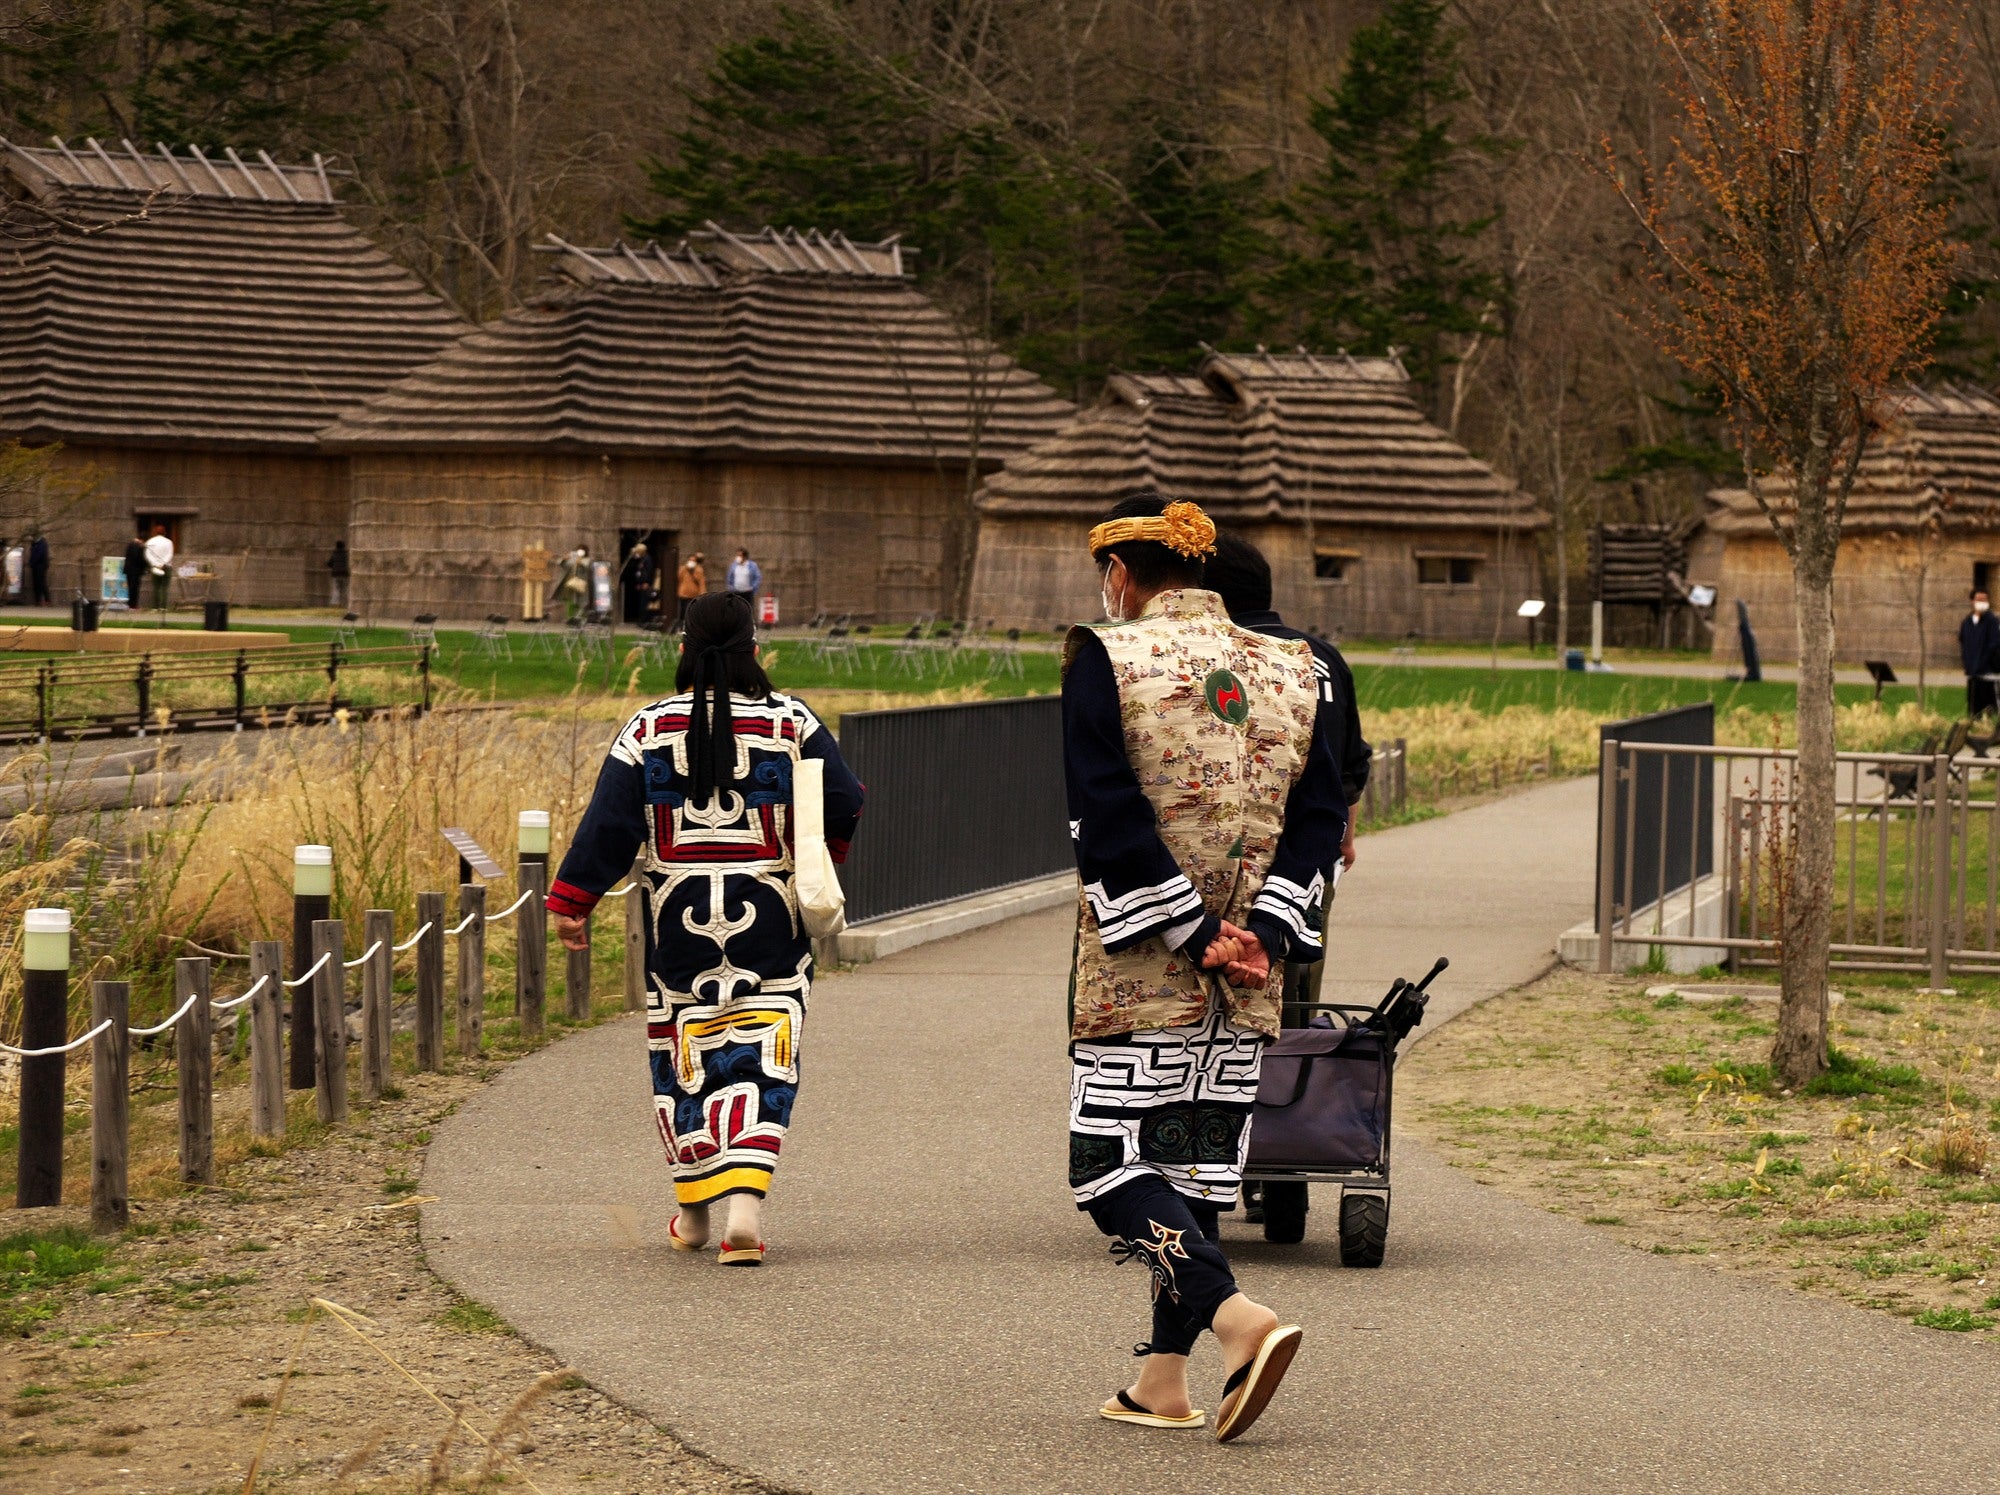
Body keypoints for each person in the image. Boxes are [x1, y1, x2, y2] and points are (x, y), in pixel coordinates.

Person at [1064, 493, 1343, 1443]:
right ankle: (1163, 1380)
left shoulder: (1106, 655)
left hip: (1143, 965)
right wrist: (1262, 931)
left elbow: (1106, 812)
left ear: (1120, 574)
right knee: (1193, 1171)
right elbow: (1320, 815)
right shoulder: (1297, 664)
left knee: (1105, 1167)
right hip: (1251, 973)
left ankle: (1237, 1318)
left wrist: (1190, 930)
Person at [549, 592, 864, 1266]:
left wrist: (574, 901)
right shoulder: (791, 721)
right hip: (770, 916)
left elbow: (608, 825)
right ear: (755, 649)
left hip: (678, 924)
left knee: (683, 1059)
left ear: (683, 649)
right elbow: (844, 797)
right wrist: (816, 853)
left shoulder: (647, 728)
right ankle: (744, 1211)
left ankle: (693, 1218)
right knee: (763, 1054)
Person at [1205, 531, 1371, 870]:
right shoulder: (1323, 657)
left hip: (1228, 858)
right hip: (1312, 856)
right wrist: (1345, 841)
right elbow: (1351, 765)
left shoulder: (1207, 657)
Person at [1963, 590, 2000, 717]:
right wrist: (1968, 665)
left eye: (1985, 599)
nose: (1982, 602)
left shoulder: (1992, 621)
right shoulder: (1967, 622)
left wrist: (1982, 663)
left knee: (1991, 709)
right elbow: (1964, 644)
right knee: (1974, 710)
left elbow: (1994, 644)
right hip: (1973, 674)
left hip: (1989, 674)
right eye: (1979, 599)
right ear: (1972, 601)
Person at [621, 540, 655, 624]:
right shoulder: (641, 559)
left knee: (644, 603)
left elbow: (649, 572)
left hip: (645, 584)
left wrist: (647, 582)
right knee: (640, 603)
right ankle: (641, 619)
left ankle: (645, 621)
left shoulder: (648, 559)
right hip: (640, 583)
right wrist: (639, 583)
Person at [143, 524, 174, 612]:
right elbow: (170, 554)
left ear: (155, 532)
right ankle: (163, 607)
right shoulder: (169, 542)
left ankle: (155, 607)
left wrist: (155, 564)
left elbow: (148, 555)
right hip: (166, 566)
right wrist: (163, 563)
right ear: (165, 532)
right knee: (164, 587)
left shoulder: (150, 541)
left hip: (155, 566)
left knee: (156, 587)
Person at [556, 545, 590, 624]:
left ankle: (580, 618)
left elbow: (586, 565)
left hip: (582, 584)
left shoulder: (587, 560)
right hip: (572, 583)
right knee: (571, 601)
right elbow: (561, 564)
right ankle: (571, 618)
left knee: (582, 602)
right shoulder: (573, 559)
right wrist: (564, 559)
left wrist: (579, 560)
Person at [521, 541, 551, 622]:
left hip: (537, 573)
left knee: (538, 588)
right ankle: (528, 615)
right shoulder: (529, 556)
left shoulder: (540, 556)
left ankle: (536, 615)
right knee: (530, 588)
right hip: (530, 573)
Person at [676, 551, 706, 631]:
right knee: (682, 612)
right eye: (690, 560)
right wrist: (686, 568)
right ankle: (680, 627)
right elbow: (679, 577)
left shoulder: (698, 570)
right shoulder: (683, 569)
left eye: (693, 560)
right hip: (683, 594)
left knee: (691, 612)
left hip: (693, 595)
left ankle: (690, 628)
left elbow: (701, 582)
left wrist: (702, 594)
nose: (691, 562)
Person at [121, 529, 146, 611]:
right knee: (134, 588)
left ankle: (130, 605)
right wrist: (145, 566)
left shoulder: (130, 544)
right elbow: (139, 558)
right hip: (136, 570)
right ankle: (133, 606)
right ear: (142, 540)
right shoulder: (139, 546)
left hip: (128, 570)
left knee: (130, 588)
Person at [27, 532, 50, 607]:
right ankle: (38, 600)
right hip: (35, 566)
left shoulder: (42, 543)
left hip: (41, 566)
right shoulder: (34, 543)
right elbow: (32, 554)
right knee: (36, 583)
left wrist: (32, 562)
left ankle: (47, 600)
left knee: (41, 583)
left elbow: (39, 555)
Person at [327, 540, 351, 610]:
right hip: (344, 573)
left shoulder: (334, 554)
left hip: (335, 574)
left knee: (336, 589)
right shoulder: (346, 554)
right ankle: (346, 603)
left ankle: (335, 604)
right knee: (345, 589)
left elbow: (329, 563)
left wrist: (333, 567)